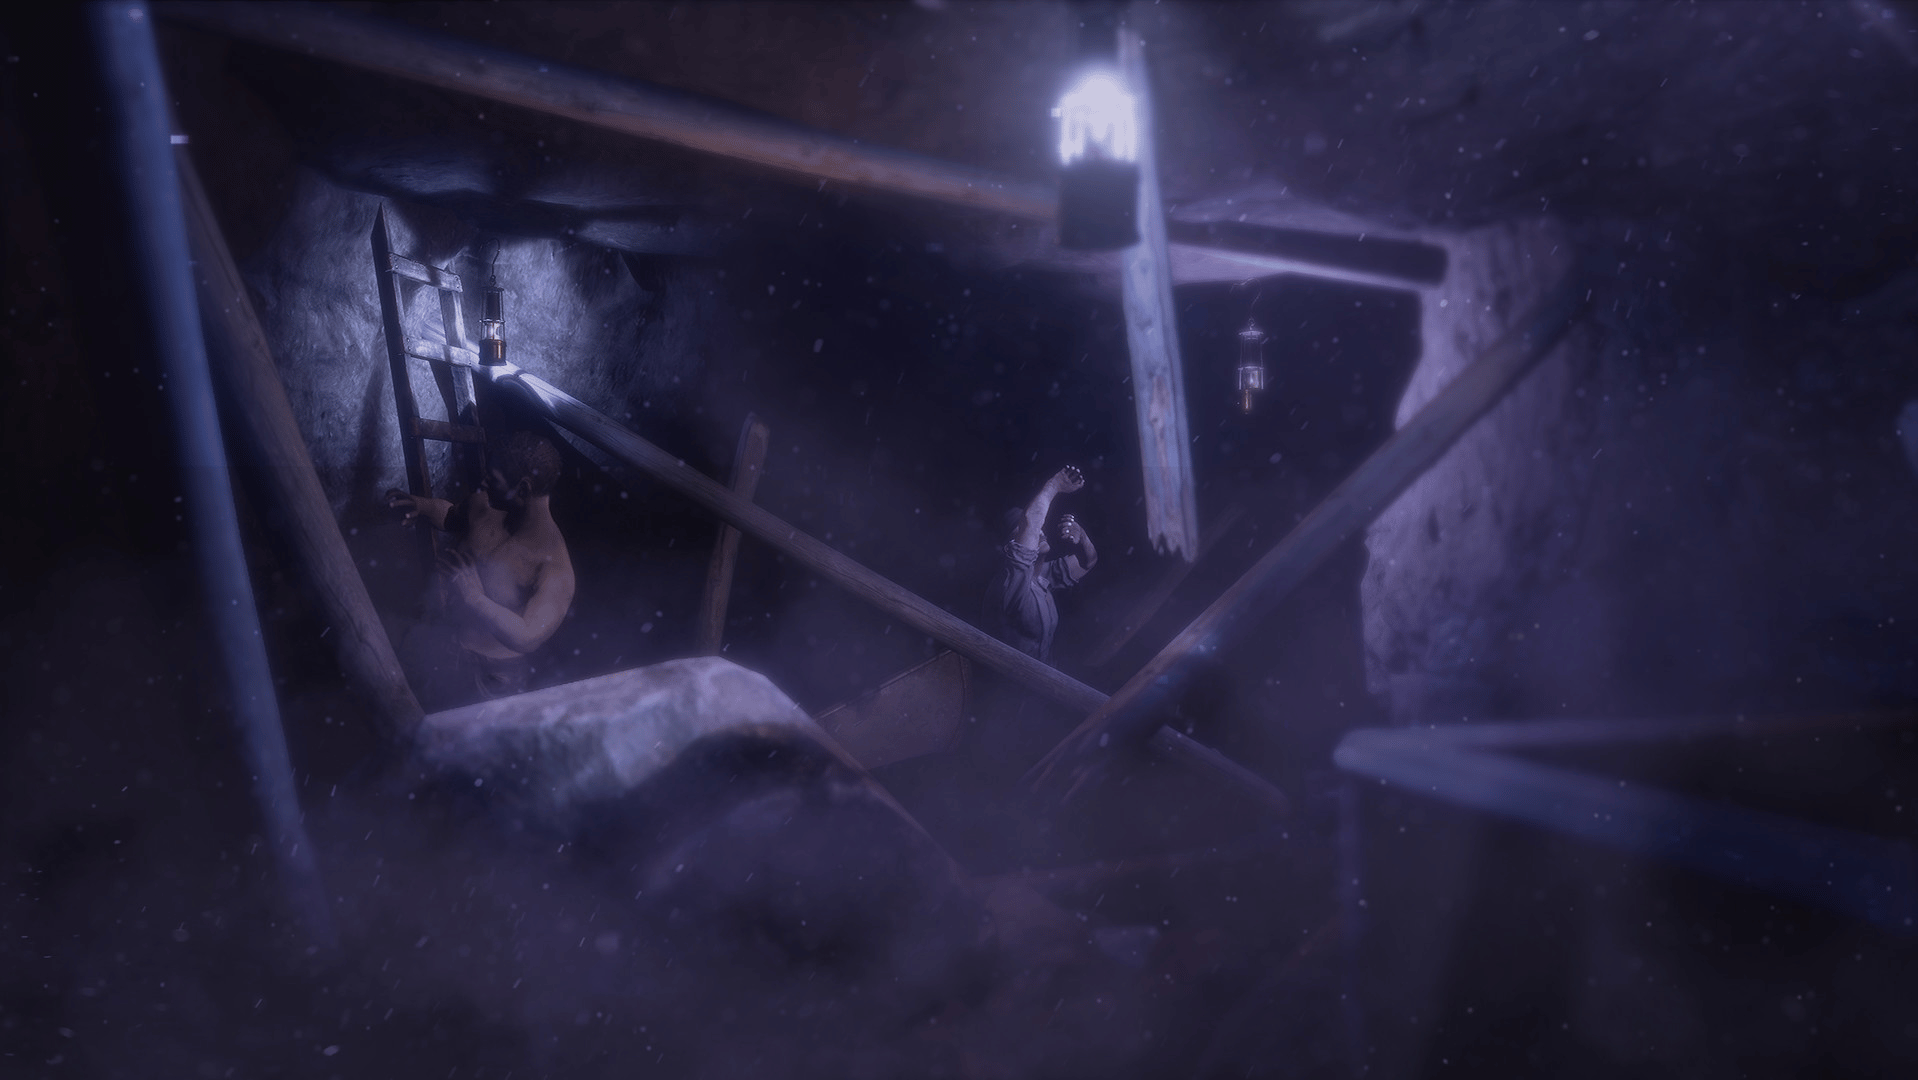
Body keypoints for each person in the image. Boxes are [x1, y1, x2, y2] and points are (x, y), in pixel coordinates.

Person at [387, 431, 576, 704]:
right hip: (443, 644)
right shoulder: (483, 506)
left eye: (494, 478)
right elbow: (451, 515)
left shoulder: (554, 567)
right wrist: (422, 506)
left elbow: (527, 637)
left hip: (494, 678)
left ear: (523, 489)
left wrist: (473, 597)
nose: (485, 482)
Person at [982, 465, 1098, 665]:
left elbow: (1088, 562)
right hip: (1012, 682)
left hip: (1042, 680)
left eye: (1040, 529)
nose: (1039, 532)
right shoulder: (1010, 584)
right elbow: (1030, 523)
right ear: (1012, 547)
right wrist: (1055, 485)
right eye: (1025, 532)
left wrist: (1083, 537)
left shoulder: (1042, 575)